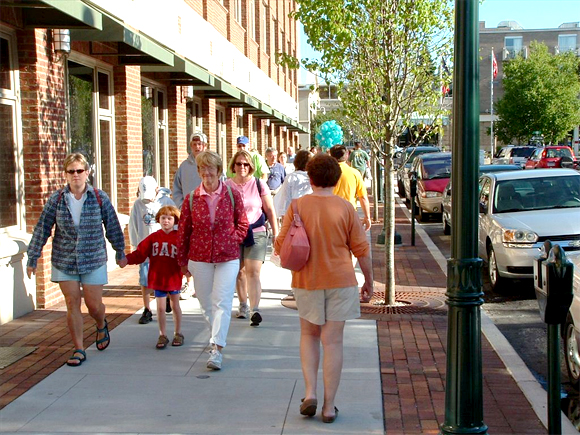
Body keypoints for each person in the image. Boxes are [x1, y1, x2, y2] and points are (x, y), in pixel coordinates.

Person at [273, 154, 373, 424]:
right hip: (341, 281)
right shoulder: (346, 208)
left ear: (310, 178)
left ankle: (310, 393)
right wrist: (369, 280)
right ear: (336, 178)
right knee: (334, 342)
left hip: (307, 281)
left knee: (309, 335)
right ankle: (329, 406)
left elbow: (280, 245)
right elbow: (362, 250)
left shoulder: (297, 207)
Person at [26, 153, 126, 367]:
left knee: (93, 304)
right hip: (65, 259)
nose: (75, 175)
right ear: (66, 174)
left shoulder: (99, 197)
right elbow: (42, 227)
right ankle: (79, 348)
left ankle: (101, 324)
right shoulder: (57, 199)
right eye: (71, 171)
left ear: (87, 173)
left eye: (79, 171)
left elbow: (113, 225)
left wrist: (120, 251)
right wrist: (33, 256)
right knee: (72, 303)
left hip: (93, 259)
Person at [177, 151, 249, 370]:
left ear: (219, 171)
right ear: (198, 171)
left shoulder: (231, 193)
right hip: (199, 258)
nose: (206, 173)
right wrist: (182, 261)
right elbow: (183, 232)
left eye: (211, 168)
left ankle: (217, 349)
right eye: (202, 168)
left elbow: (243, 223)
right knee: (207, 304)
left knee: (222, 301)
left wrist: (231, 240)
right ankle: (214, 337)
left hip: (227, 257)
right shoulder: (191, 198)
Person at [225, 150, 279, 326]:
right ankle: (243, 305)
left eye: (246, 164)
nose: (242, 167)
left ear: (251, 167)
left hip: (256, 231)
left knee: (253, 271)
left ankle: (255, 309)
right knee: (238, 271)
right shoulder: (226, 186)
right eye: (239, 164)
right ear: (233, 166)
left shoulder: (259, 184)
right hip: (234, 234)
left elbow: (270, 210)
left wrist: (276, 233)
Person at [124, 206, 184, 349]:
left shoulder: (179, 238)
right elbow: (140, 253)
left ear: (175, 220)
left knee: (175, 306)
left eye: (170, 218)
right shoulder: (153, 237)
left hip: (173, 277)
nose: (166, 221)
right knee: (161, 308)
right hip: (158, 277)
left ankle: (178, 332)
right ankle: (162, 334)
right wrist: (126, 259)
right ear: (158, 219)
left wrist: (189, 270)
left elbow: (186, 256)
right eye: (163, 218)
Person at [129, 176, 176, 324]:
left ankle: (167, 299)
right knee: (145, 279)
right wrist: (136, 244)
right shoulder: (138, 204)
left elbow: (175, 220)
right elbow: (133, 224)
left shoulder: (166, 202)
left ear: (157, 190)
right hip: (146, 247)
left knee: (166, 277)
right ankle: (147, 309)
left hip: (164, 248)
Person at [172, 131, 208, 299]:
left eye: (199, 143)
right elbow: (177, 188)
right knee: (188, 247)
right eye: (194, 144)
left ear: (205, 146)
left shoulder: (210, 164)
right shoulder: (184, 166)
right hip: (189, 214)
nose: (196, 146)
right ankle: (190, 282)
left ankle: (203, 282)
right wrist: (181, 205)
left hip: (207, 215)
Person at [329, 145, 372, 231]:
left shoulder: (325, 173)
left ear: (331, 156)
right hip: (349, 213)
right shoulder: (355, 173)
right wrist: (367, 217)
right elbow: (363, 197)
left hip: (329, 214)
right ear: (347, 155)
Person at [273, 149, 313, 218]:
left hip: (295, 216)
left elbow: (285, 200)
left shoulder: (291, 177)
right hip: (311, 215)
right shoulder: (314, 178)